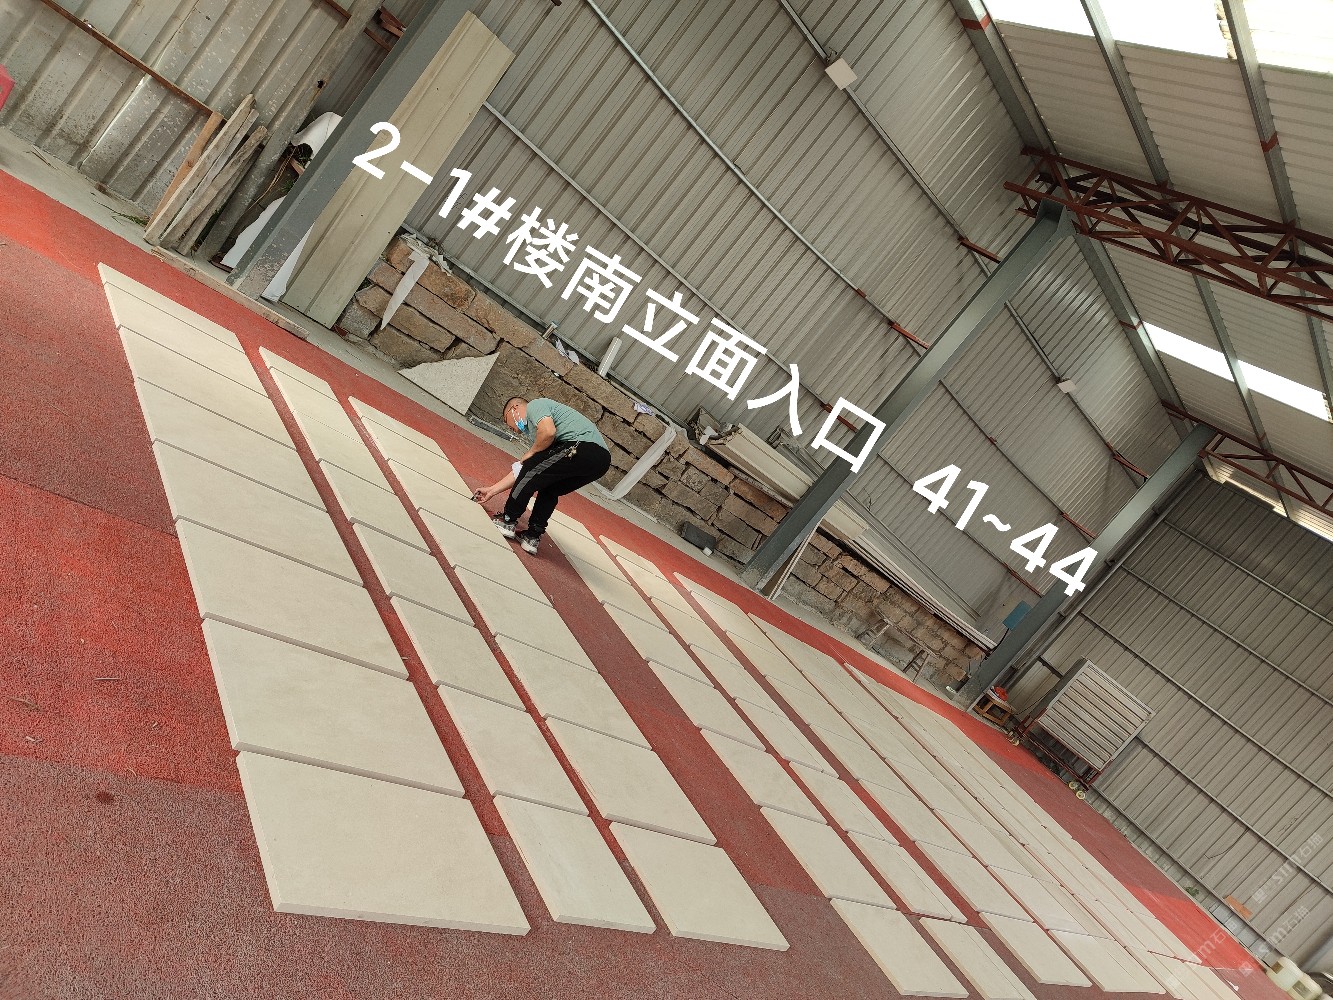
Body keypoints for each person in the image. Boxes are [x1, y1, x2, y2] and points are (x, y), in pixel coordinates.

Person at [472, 396, 612, 554]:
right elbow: (522, 471)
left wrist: (531, 452)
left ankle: (507, 520)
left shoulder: (535, 406)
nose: (509, 426)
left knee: (531, 468)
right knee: (550, 488)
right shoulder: (539, 436)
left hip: (581, 447)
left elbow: (548, 432)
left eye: (506, 420)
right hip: (601, 462)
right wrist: (492, 490)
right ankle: (532, 537)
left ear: (515, 408)